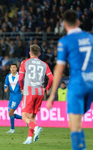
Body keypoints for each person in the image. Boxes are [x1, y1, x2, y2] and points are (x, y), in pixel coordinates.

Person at [46, 10, 93, 150]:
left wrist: (52, 94)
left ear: (64, 24)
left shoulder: (65, 41)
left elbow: (59, 69)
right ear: (78, 22)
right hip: (91, 84)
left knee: (74, 126)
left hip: (77, 85)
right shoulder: (91, 38)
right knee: (77, 123)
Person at [19, 44, 53, 144]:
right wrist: (47, 88)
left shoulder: (25, 62)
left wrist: (22, 88)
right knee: (32, 116)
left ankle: (36, 127)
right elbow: (51, 78)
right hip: (40, 91)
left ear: (30, 53)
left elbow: (20, 78)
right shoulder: (44, 64)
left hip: (29, 91)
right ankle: (29, 138)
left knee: (24, 115)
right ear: (39, 54)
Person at [4, 64, 22, 134]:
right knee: (10, 113)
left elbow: (23, 84)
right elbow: (5, 84)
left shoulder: (20, 76)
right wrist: (5, 88)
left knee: (11, 112)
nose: (12, 69)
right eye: (11, 67)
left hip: (17, 96)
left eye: (14, 67)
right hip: (11, 96)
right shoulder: (8, 76)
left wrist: (23, 90)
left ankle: (12, 129)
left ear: (16, 68)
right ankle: (24, 118)